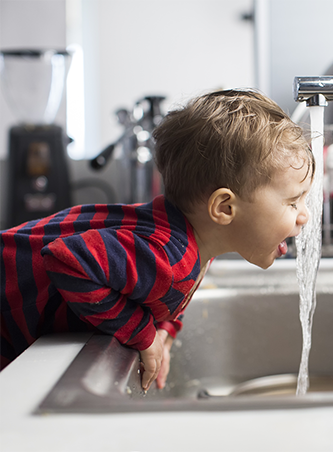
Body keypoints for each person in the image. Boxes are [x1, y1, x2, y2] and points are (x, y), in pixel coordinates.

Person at [0, 89, 313, 390]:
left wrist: (165, 328)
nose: (304, 215)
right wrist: (143, 336)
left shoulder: (194, 244)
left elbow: (160, 291)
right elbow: (67, 258)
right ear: (225, 208)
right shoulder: (167, 256)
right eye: (293, 202)